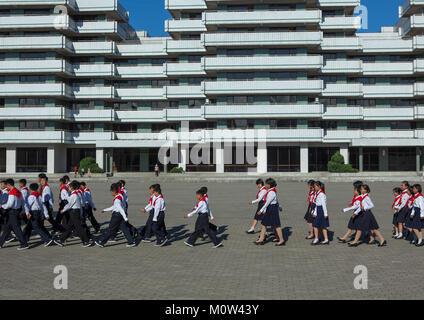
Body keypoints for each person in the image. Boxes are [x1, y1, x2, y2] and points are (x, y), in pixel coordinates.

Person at [94, 183, 136, 248]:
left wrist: (125, 218)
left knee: (110, 229)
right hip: (120, 215)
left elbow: (119, 208)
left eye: (111, 191)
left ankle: (101, 241)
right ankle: (131, 241)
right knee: (124, 229)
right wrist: (105, 210)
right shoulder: (120, 195)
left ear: (113, 191)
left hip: (117, 216)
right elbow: (115, 206)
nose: (111, 193)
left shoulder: (117, 199)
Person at [23, 183, 60, 247]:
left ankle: (47, 239)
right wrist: (46, 214)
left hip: (33, 213)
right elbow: (43, 206)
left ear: (30, 189)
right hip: (39, 213)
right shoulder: (39, 196)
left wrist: (27, 213)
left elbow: (27, 206)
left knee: (36, 227)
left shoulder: (32, 196)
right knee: (30, 227)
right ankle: (25, 239)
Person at [55, 181, 91, 247]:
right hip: (75, 212)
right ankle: (61, 240)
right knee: (69, 227)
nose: (68, 188)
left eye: (69, 187)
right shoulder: (75, 194)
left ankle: (86, 241)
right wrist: (80, 214)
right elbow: (79, 205)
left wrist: (63, 210)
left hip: (74, 212)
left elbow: (69, 205)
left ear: (71, 187)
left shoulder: (74, 195)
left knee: (79, 228)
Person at [254, 178, 285, 246]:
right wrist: (279, 207)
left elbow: (267, 202)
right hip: (271, 208)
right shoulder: (271, 191)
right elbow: (276, 201)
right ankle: (275, 238)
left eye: (266, 184)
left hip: (272, 209)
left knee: (274, 225)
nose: (264, 185)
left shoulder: (271, 192)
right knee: (271, 225)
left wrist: (261, 210)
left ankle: (281, 240)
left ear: (269, 185)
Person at [0, 179, 29, 250]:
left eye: (7, 185)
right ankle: (0, 243)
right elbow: (23, 202)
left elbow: (10, 204)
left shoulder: (12, 192)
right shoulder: (18, 191)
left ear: (9, 185)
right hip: (15, 212)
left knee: (17, 229)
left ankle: (24, 244)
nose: (6, 187)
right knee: (7, 229)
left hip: (13, 212)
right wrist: (24, 211)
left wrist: (2, 206)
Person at [311, 181, 330, 245]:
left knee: (316, 225)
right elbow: (316, 204)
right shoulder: (318, 193)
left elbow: (324, 205)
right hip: (318, 210)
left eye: (315, 186)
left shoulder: (321, 194)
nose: (314, 187)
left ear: (319, 186)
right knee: (321, 226)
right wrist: (314, 212)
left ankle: (317, 238)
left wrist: (325, 214)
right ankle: (325, 239)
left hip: (321, 210)